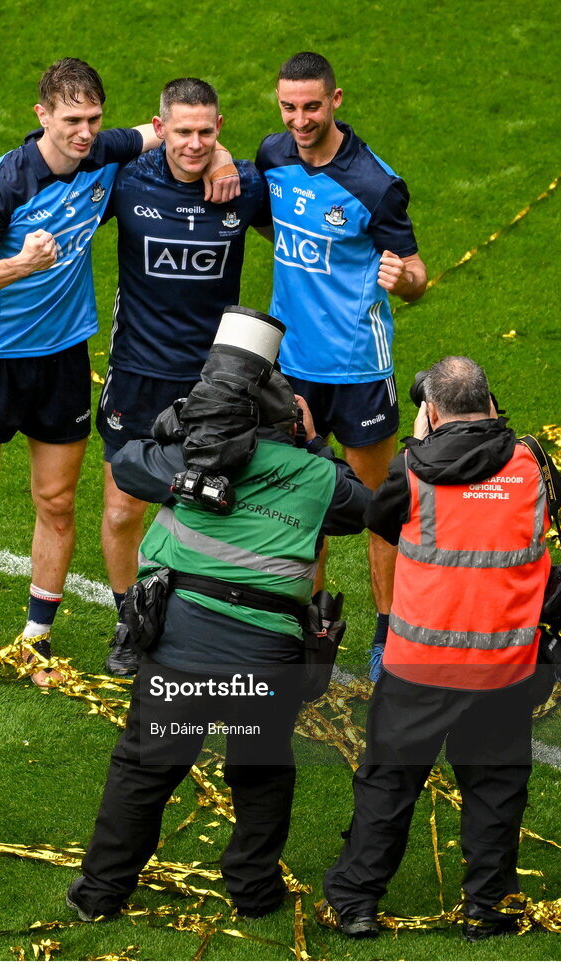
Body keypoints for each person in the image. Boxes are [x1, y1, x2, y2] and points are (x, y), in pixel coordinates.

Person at [0, 58, 240, 694]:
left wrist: (222, 161)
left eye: (93, 119)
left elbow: (183, 130)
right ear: (40, 115)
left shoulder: (106, 153)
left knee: (56, 502)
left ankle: (35, 638)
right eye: (70, 120)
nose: (84, 133)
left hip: (65, 360)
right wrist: (21, 264)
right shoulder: (4, 184)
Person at [67, 332, 371, 920]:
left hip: (183, 642)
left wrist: (182, 427)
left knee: (145, 771)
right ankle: (255, 894)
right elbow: (360, 507)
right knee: (260, 773)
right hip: (267, 654)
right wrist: (316, 446)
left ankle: (100, 894)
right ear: (290, 419)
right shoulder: (315, 475)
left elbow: (128, 464)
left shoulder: (192, 459)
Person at [322, 356, 561, 942]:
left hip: (419, 669)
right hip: (504, 667)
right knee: (496, 790)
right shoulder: (535, 465)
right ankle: (491, 908)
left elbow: (378, 521)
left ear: (429, 412)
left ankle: (357, 901)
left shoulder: (410, 471)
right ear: (490, 401)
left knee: (388, 783)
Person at [255, 51, 427, 671]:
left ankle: (388, 633)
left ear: (336, 101)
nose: (300, 120)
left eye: (311, 106)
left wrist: (402, 279)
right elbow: (275, 225)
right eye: (289, 107)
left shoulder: (375, 184)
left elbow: (416, 275)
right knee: (301, 499)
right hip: (292, 365)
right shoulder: (272, 156)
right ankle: (311, 624)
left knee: (378, 504)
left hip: (358, 368)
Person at [98, 77, 270, 677]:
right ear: (160, 127)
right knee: (122, 510)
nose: (194, 144)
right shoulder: (126, 180)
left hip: (214, 385)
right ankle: (129, 618)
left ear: (219, 128)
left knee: (212, 508)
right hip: (136, 375)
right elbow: (56, 148)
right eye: (183, 132)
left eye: (206, 133)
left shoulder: (245, 188)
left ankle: (206, 627)